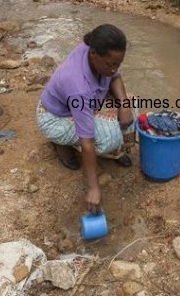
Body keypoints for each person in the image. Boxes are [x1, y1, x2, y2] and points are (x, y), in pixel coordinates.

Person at [36, 24, 137, 213]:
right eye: (110, 64)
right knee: (110, 137)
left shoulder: (94, 48)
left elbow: (115, 77)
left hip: (88, 101)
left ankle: (117, 152)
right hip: (55, 118)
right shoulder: (78, 87)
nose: (115, 69)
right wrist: (93, 188)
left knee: (131, 103)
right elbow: (88, 140)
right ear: (93, 54)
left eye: (118, 64)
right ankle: (61, 142)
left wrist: (124, 105)